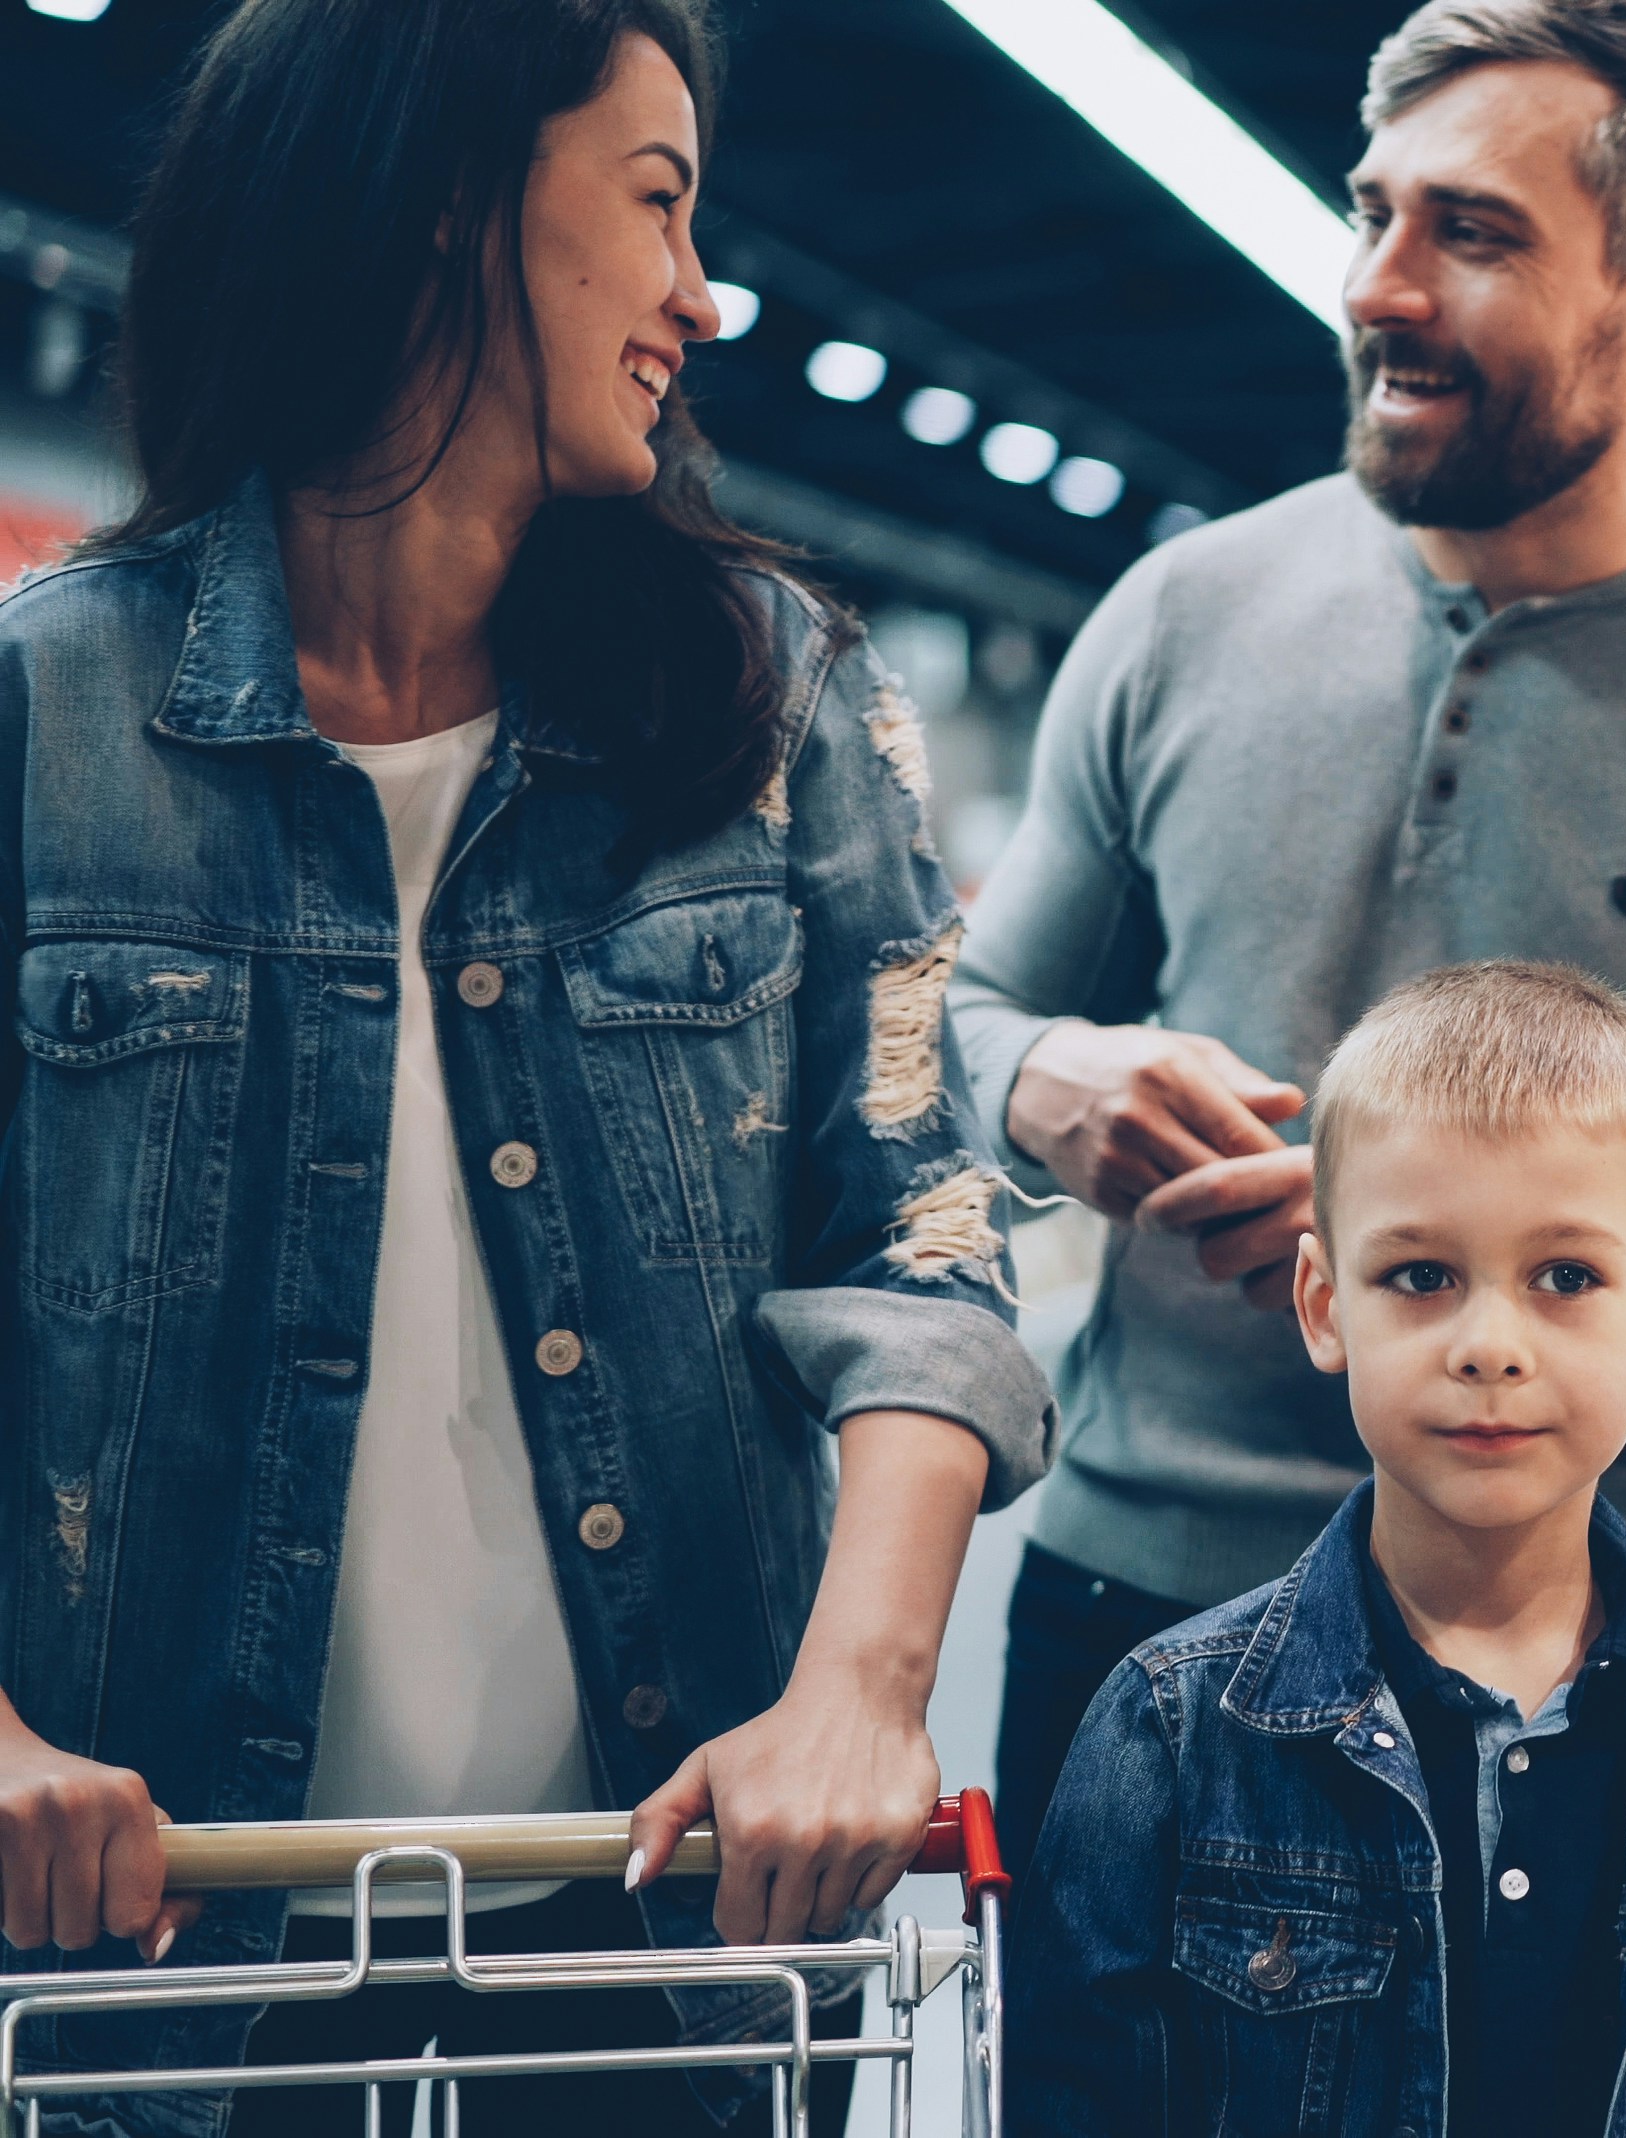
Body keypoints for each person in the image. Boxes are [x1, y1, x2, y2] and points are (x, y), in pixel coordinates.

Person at [0, 0, 1050, 2128]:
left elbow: (926, 1226)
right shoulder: (44, 722)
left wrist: (859, 1687)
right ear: (442, 205)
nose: (700, 289)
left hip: (655, 1936)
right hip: (154, 1965)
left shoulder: (781, 705)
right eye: (655, 206)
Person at [953, 0, 1626, 1874]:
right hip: (1140, 1617)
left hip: (1601, 1665)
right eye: (1371, 214)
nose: (1377, 286)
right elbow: (946, 1013)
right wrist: (1044, 1076)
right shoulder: (1183, 616)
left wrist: (1501, 1272)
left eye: (1473, 233)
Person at [1012, 962, 1626, 2138]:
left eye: (1565, 1277)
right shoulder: (1166, 1728)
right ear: (1323, 1302)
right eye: (1420, 1276)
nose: (1488, 1344)